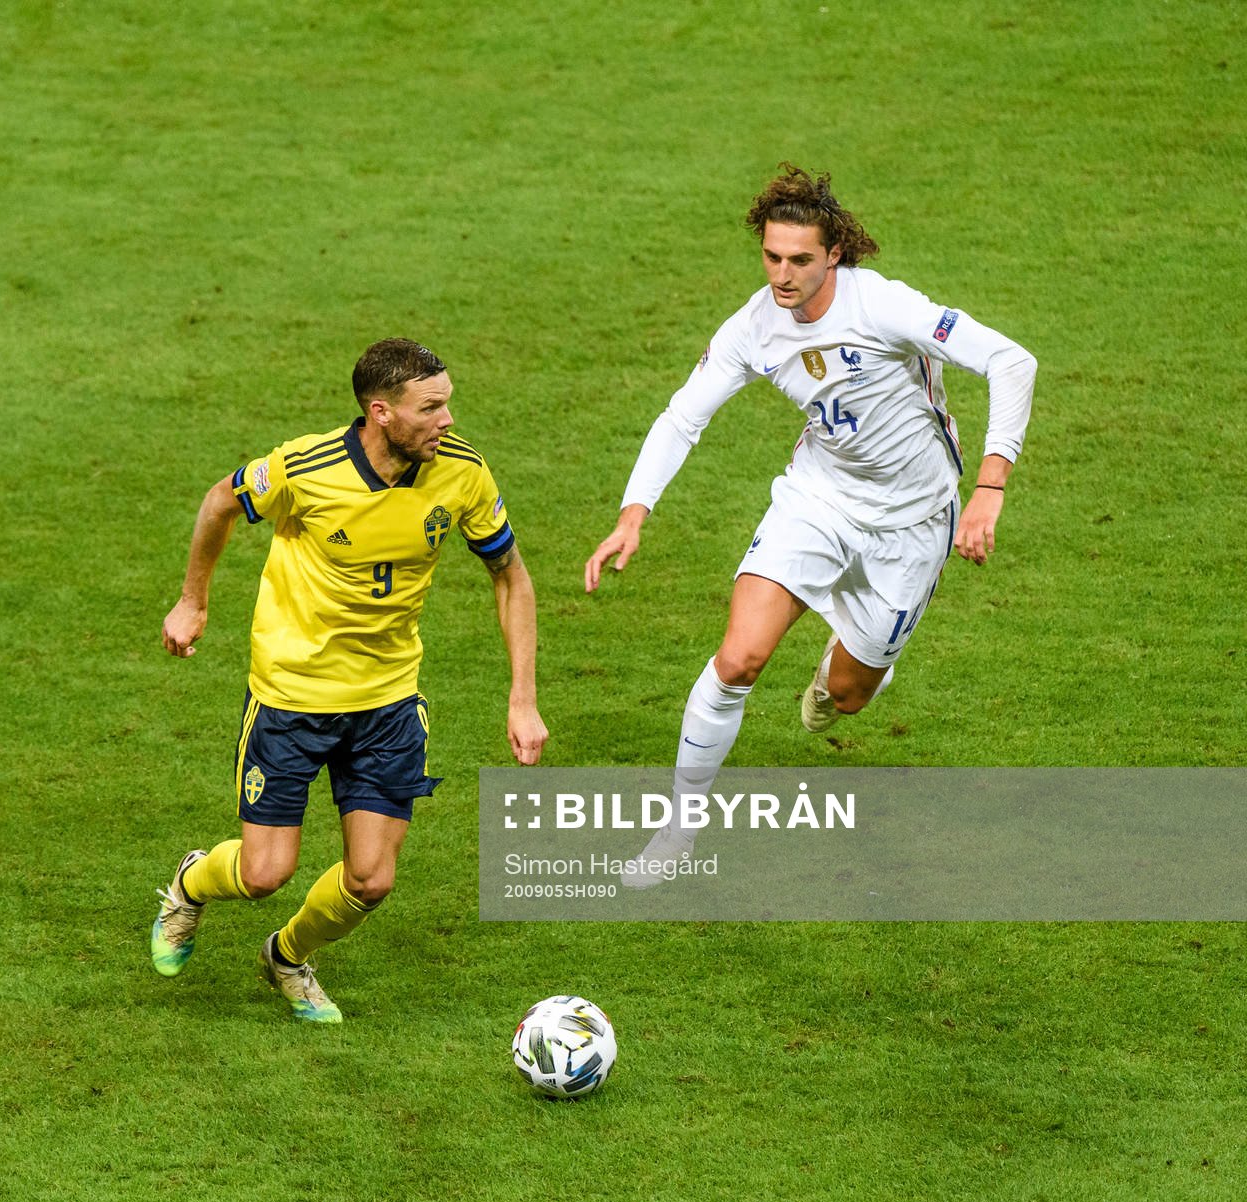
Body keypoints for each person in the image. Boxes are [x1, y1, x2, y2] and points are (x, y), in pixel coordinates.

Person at [584, 165, 1037, 879]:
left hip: (913, 524)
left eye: (800, 259)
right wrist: (633, 514)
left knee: (848, 699)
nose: (783, 275)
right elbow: (684, 416)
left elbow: (1012, 361)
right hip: (817, 502)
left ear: (834, 253)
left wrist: (989, 486)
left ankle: (836, 673)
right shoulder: (753, 328)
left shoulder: (886, 307)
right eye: (772, 257)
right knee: (738, 660)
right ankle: (678, 833)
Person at [152, 338, 548, 1022]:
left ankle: (287, 957)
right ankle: (191, 882)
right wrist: (193, 600)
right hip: (292, 696)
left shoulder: (462, 474)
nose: (448, 420)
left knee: (372, 880)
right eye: (432, 408)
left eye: (448, 402)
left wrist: (523, 698)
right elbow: (221, 501)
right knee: (262, 873)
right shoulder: (306, 468)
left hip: (387, 701)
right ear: (381, 412)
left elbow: (509, 574)